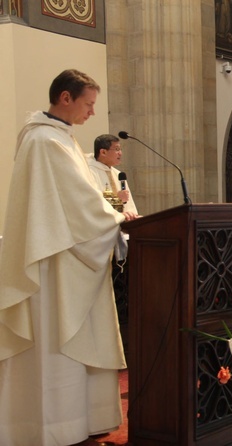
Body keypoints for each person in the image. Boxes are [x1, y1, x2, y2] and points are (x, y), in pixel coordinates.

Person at [0, 69, 140, 445]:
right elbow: (81, 204)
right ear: (65, 98)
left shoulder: (57, 139)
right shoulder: (47, 142)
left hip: (67, 252)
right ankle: (53, 426)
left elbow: (83, 199)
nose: (92, 113)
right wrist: (116, 219)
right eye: (89, 104)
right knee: (58, 338)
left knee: (74, 336)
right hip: (55, 261)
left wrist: (111, 217)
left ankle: (81, 419)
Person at [87, 134, 139, 215]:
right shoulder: (89, 172)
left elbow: (129, 205)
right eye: (117, 149)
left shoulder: (118, 174)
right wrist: (117, 200)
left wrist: (133, 216)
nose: (120, 153)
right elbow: (91, 203)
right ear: (103, 152)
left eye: (120, 149)